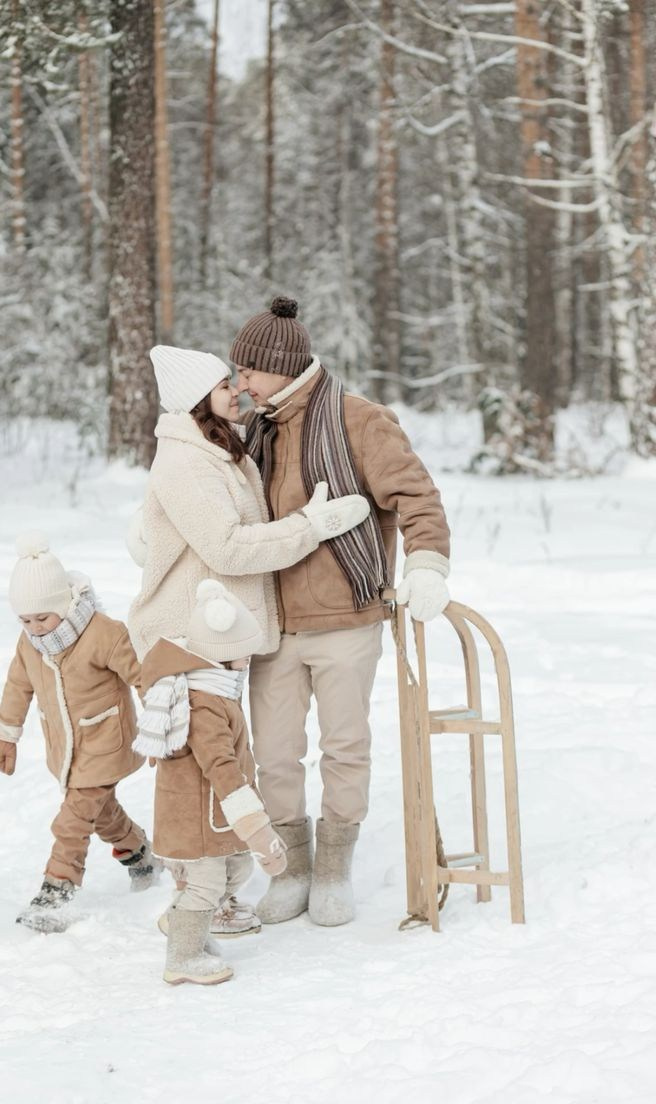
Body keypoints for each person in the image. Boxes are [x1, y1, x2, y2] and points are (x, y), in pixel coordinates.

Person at [126, 344, 370, 936]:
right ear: (196, 402)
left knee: (225, 764)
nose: (237, 390)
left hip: (220, 639)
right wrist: (307, 528)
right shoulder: (185, 462)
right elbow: (229, 547)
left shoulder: (224, 451)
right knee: (201, 771)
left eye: (236, 380)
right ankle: (191, 908)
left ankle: (223, 891)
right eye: (223, 385)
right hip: (187, 643)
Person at [230, 295, 452, 927]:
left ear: (278, 366)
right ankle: (292, 868)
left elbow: (417, 495)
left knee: (344, 747)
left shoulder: (359, 420)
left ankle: (332, 870)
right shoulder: (255, 431)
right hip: (272, 623)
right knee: (273, 754)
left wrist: (427, 564)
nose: (240, 383)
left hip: (346, 620)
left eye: (247, 371)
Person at [0, 533, 156, 933]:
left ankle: (57, 890)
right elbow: (18, 686)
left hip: (104, 744)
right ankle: (138, 853)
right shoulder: (31, 644)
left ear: (64, 605)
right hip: (66, 749)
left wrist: (157, 726)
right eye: (25, 620)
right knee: (100, 815)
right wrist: (5, 732)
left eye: (42, 618)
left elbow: (143, 676)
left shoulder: (104, 633)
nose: (34, 628)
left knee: (73, 821)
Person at [134, 579, 286, 986]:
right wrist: (257, 828)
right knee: (207, 884)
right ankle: (183, 956)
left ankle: (184, 919)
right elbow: (221, 767)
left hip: (213, 816)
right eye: (243, 656)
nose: (248, 662)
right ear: (222, 657)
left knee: (236, 870)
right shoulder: (204, 704)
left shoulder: (218, 692)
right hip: (194, 817)